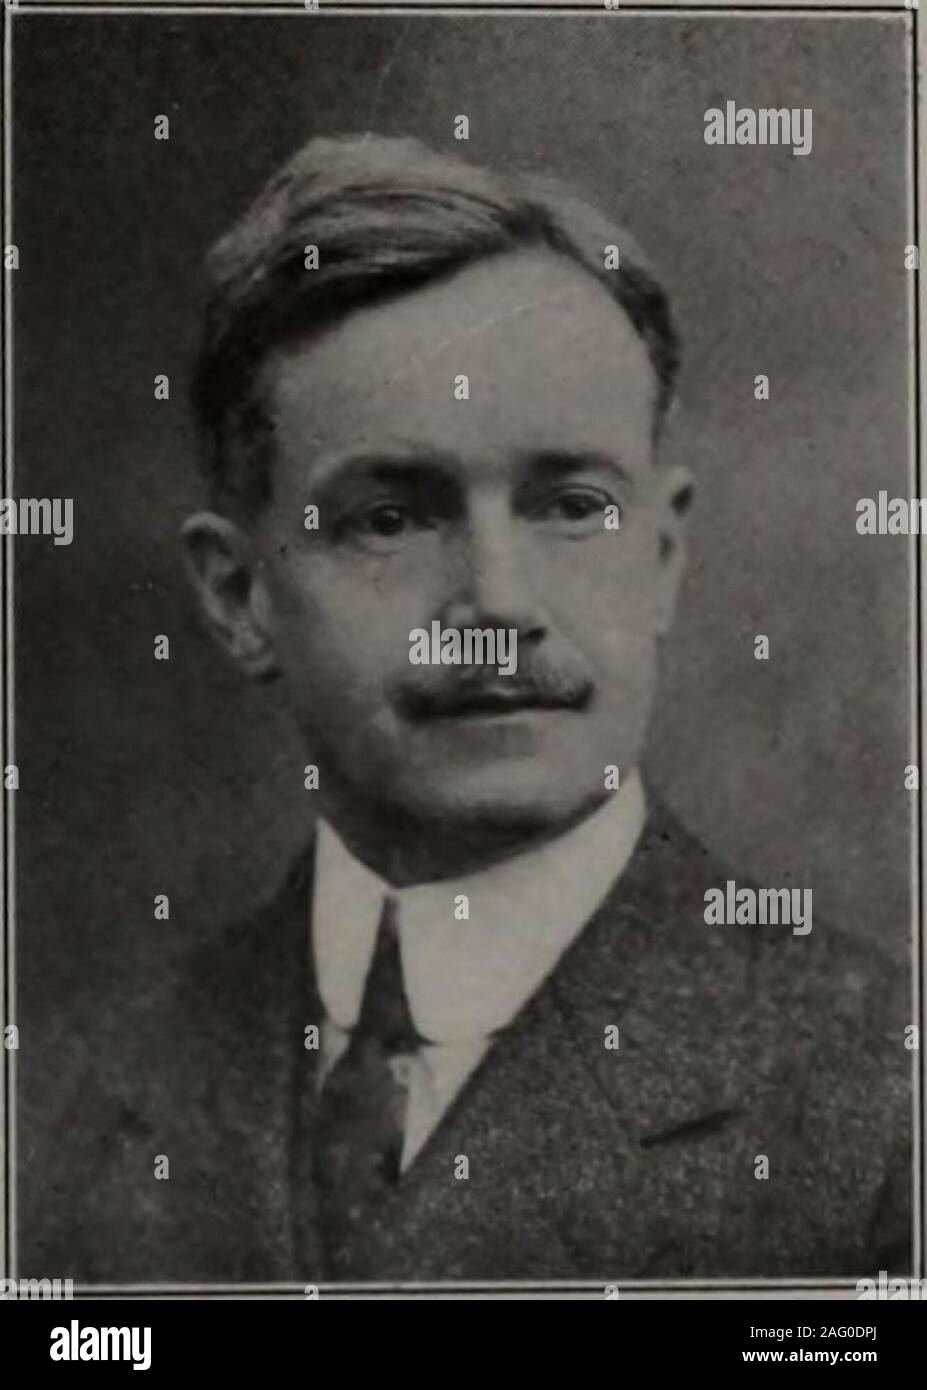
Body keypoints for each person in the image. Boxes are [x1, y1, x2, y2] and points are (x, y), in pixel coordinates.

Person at [25, 134, 910, 1284]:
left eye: (572, 506)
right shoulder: (48, 1111)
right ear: (241, 598)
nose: (497, 604)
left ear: (662, 556)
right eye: (391, 519)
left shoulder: (887, 1111)